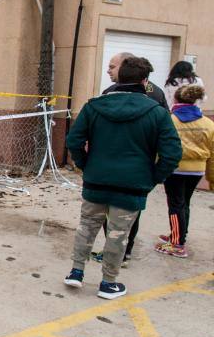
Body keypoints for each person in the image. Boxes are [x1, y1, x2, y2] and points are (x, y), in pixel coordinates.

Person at [64, 56, 181, 299]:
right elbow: (172, 153)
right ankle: (108, 283)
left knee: (87, 225)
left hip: (97, 180)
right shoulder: (157, 113)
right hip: (132, 184)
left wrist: (86, 166)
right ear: (144, 81)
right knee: (118, 233)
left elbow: (73, 141)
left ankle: (76, 272)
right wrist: (153, 178)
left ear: (119, 77)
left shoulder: (94, 106)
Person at [93, 53, 168, 267]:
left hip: (118, 166)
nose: (108, 70)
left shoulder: (114, 94)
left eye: (112, 66)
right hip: (136, 169)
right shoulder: (156, 93)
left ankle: (117, 253)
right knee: (128, 211)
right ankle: (122, 252)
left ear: (125, 69)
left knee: (114, 211)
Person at [154, 85, 214, 258]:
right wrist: (211, 176)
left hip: (176, 168)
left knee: (175, 204)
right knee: (184, 202)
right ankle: (179, 234)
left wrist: (156, 167)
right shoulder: (208, 123)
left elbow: (161, 145)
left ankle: (177, 243)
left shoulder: (171, 120)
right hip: (197, 170)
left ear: (176, 100)